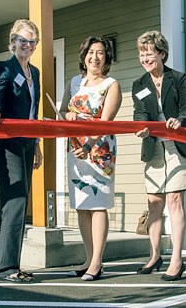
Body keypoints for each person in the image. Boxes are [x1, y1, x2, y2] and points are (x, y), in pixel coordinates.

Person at [132, 31, 186, 281]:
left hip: (178, 146)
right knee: (154, 203)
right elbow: (140, 112)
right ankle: (154, 255)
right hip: (154, 147)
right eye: (142, 54)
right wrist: (141, 127)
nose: (145, 58)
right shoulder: (139, 84)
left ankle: (177, 259)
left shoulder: (178, 78)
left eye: (149, 53)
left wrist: (180, 119)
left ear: (162, 53)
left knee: (174, 200)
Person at [0, 19, 43, 283]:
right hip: (8, 141)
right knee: (15, 201)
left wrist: (38, 143)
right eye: (22, 40)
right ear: (12, 42)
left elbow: (33, 112)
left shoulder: (36, 72)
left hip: (28, 141)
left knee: (22, 201)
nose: (27, 45)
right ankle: (4, 269)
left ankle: (11, 265)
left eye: (31, 41)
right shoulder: (5, 67)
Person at [59, 36, 122, 281]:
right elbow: (63, 110)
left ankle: (97, 261)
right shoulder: (74, 82)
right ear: (84, 56)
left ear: (106, 59)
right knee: (82, 205)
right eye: (91, 52)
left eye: (101, 53)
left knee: (98, 205)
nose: (95, 57)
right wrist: (69, 116)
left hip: (99, 150)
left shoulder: (111, 84)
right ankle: (88, 257)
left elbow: (106, 122)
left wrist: (89, 145)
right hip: (74, 149)